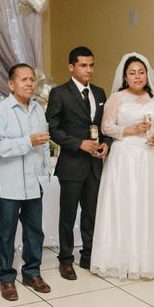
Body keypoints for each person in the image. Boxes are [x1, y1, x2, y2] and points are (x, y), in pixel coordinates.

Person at [91, 53, 154, 279]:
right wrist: (130, 130)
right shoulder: (117, 98)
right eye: (132, 73)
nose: (137, 76)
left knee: (151, 205)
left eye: (141, 72)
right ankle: (122, 258)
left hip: (151, 158)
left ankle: (152, 259)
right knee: (126, 203)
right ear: (125, 76)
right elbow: (106, 127)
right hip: (125, 158)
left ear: (147, 74)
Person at [46, 46, 112, 280]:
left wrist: (106, 144)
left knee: (92, 213)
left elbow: (105, 127)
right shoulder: (59, 93)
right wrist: (78, 143)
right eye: (83, 65)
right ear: (72, 67)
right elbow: (53, 129)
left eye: (92, 65)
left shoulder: (100, 92)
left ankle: (89, 255)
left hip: (95, 164)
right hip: (72, 163)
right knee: (68, 214)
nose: (89, 70)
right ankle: (65, 260)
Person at [0, 63, 53, 301]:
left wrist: (46, 172)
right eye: (24, 79)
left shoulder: (38, 110)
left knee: (35, 232)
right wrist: (27, 141)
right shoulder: (1, 111)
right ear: (11, 83)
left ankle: (32, 273)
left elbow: (44, 143)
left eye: (32, 80)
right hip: (8, 184)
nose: (29, 84)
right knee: (6, 234)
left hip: (34, 183)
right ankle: (6, 278)